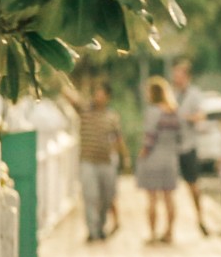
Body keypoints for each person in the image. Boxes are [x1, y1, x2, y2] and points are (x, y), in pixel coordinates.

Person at [76, 81, 127, 242]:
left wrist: (124, 157)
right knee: (90, 196)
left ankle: (101, 226)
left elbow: (118, 138)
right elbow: (70, 96)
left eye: (101, 93)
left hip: (106, 161)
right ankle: (93, 231)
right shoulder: (85, 110)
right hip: (88, 161)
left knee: (107, 197)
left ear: (107, 97)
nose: (98, 96)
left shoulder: (112, 116)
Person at [136, 76, 183, 244]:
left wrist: (141, 155)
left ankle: (153, 233)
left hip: (153, 158)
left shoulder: (153, 111)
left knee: (152, 199)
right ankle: (169, 232)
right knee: (169, 198)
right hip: (170, 159)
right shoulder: (174, 112)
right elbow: (180, 137)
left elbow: (150, 137)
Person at [171, 58, 211, 237]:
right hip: (171, 146)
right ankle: (169, 228)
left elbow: (202, 115)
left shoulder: (194, 95)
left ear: (186, 76)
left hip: (188, 145)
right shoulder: (170, 94)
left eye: (178, 75)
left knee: (193, 185)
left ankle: (200, 218)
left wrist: (188, 118)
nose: (176, 78)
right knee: (167, 188)